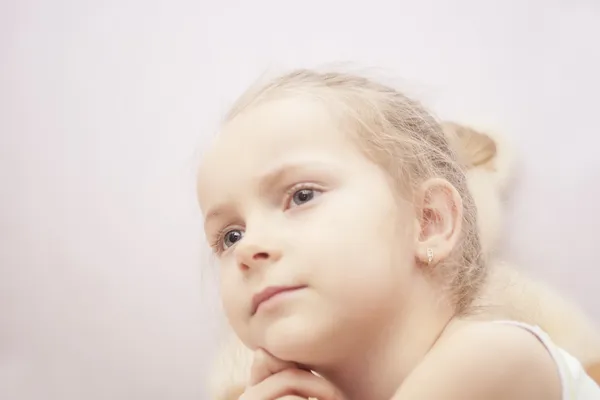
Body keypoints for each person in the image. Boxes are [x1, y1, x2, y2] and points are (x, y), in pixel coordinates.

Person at [196, 69, 600, 400]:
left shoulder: (492, 357)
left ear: (428, 221)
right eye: (229, 236)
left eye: (301, 196)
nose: (247, 248)